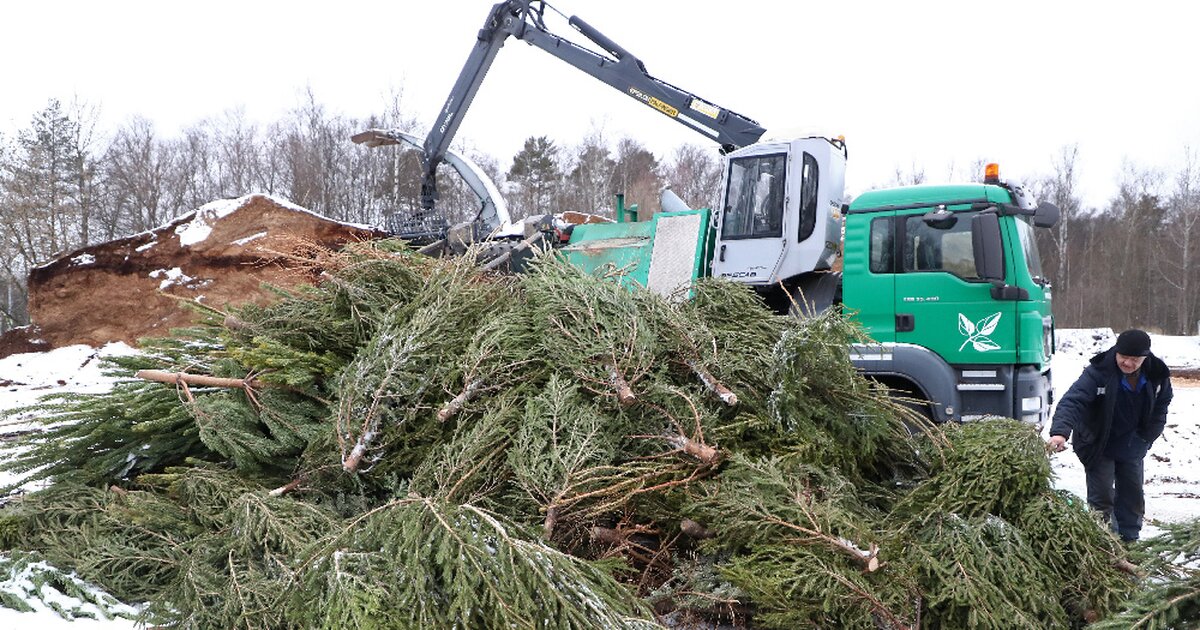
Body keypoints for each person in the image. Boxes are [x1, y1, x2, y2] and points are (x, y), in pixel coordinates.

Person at [1048, 329, 1173, 541]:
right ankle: (1103, 543)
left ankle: (1130, 542)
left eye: (1134, 360)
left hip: (1133, 443)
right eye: (1123, 357)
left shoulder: (1157, 375)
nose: (1127, 363)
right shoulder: (1098, 372)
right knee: (1103, 497)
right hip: (1098, 443)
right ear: (1116, 351)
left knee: (1132, 497)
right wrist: (1060, 432)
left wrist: (1147, 436)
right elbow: (1073, 401)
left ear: (1145, 357)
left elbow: (1161, 406)